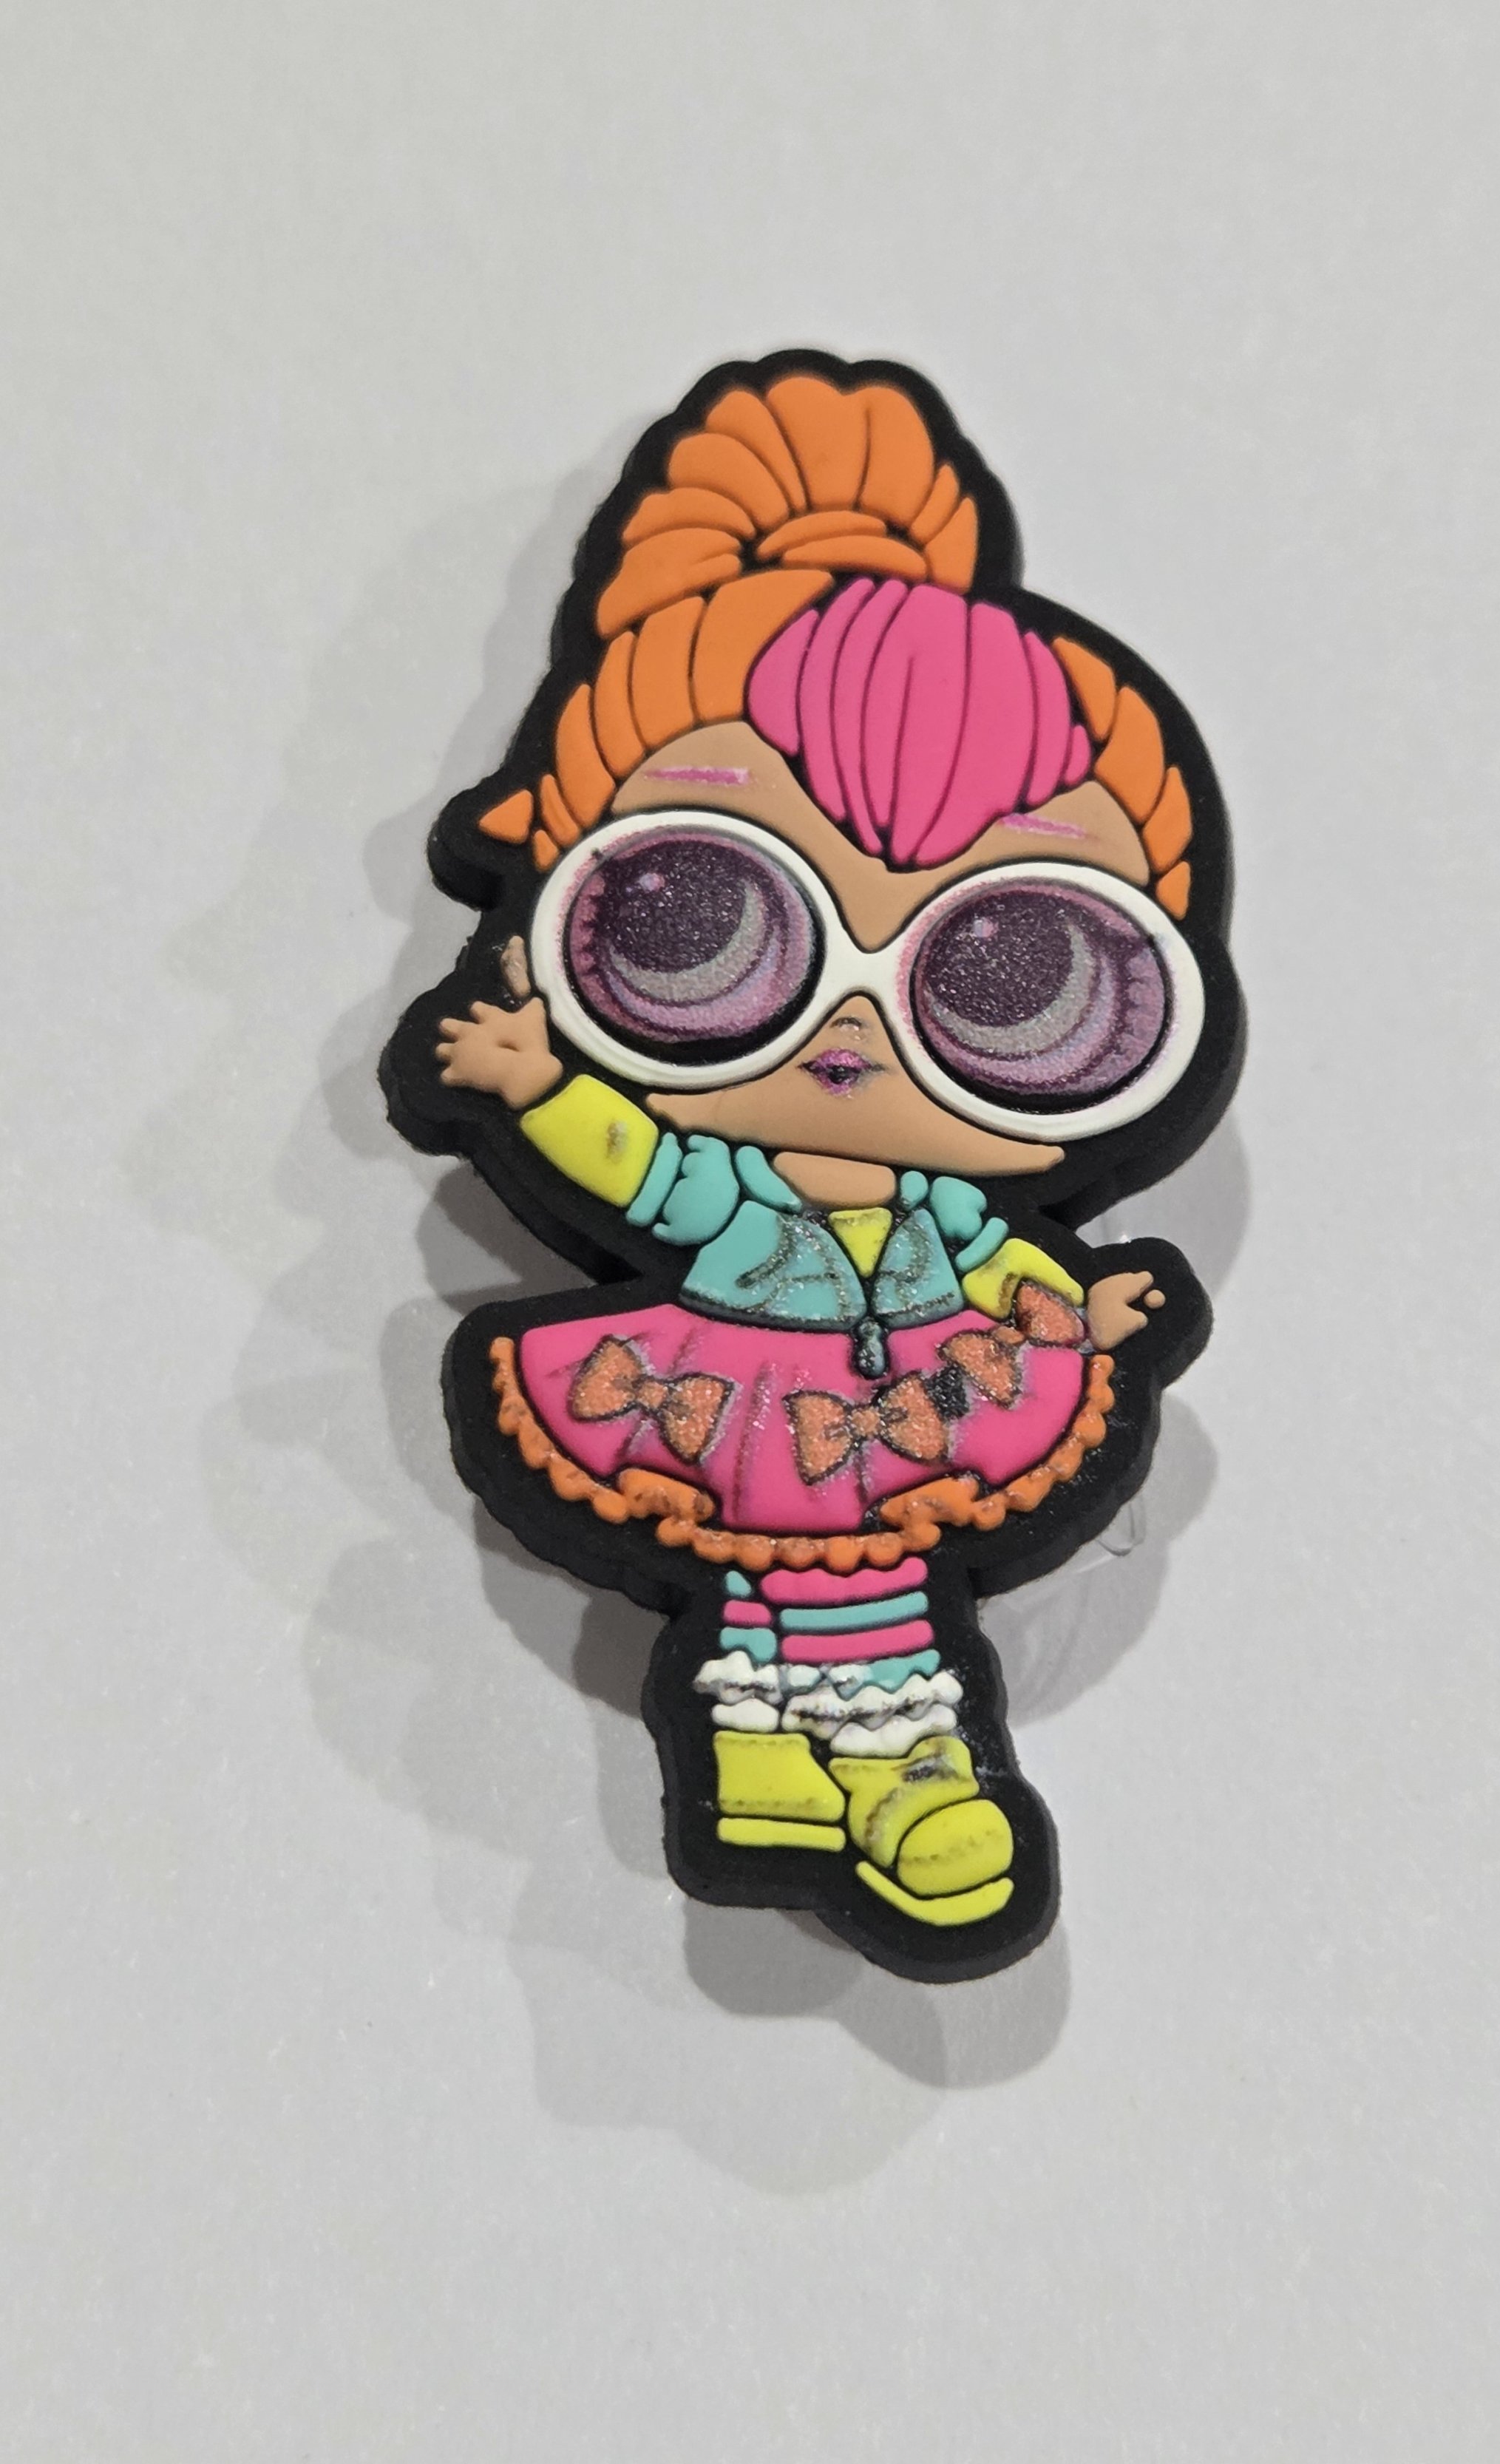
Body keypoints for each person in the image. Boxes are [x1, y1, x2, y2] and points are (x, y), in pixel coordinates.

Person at [384, 355, 1241, 1978]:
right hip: (720, 1389)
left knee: (859, 1580)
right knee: (822, 1581)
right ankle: (840, 1773)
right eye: (701, 918)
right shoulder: (736, 1198)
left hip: (913, 1399)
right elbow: (641, 1168)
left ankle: (875, 1769)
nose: (853, 1024)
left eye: (1011, 971)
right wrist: (532, 1080)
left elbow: (1007, 1266)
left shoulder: (949, 1213)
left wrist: (1087, 1313)